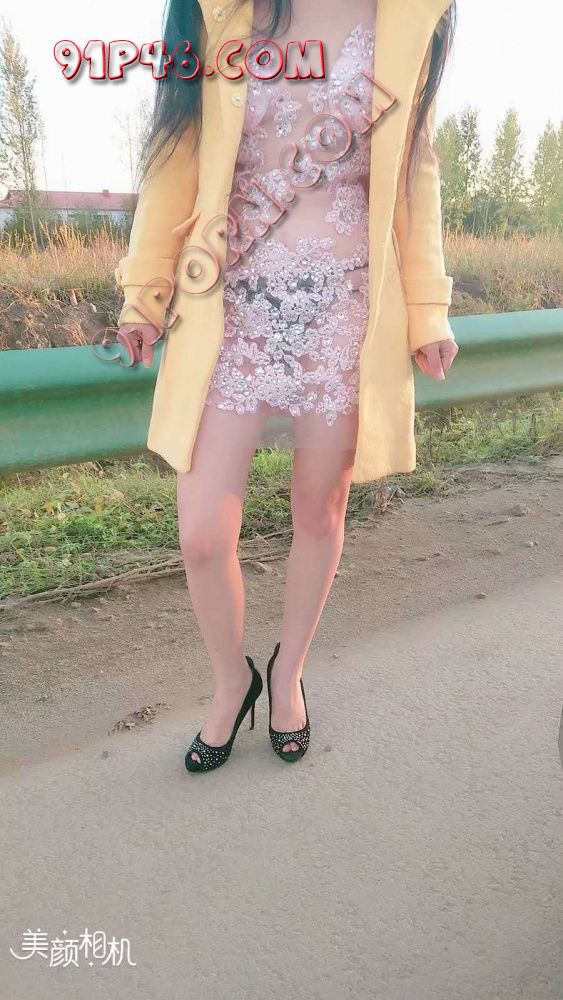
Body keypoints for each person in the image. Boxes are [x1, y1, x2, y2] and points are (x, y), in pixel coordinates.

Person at [115, 0, 459, 772]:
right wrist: (144, 292)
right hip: (227, 311)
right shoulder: (217, 11)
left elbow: (415, 173)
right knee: (202, 535)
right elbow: (173, 157)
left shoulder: (407, 16)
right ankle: (230, 679)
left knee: (319, 510)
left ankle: (288, 673)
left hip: (345, 311)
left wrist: (427, 310)